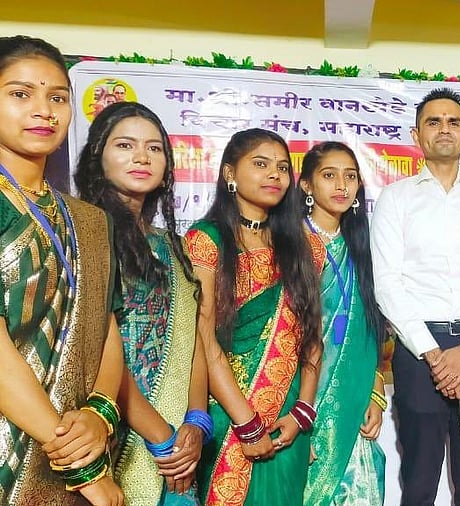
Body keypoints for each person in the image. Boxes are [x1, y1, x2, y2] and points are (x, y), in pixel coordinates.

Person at [371, 87, 460, 505]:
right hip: (419, 353)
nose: (444, 129)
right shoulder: (396, 199)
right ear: (417, 136)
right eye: (433, 122)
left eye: (453, 122)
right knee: (419, 478)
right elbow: (387, 284)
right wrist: (436, 357)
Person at [0, 35, 125, 505]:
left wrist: (100, 412)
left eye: (57, 97)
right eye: (20, 94)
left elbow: (104, 325)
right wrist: (85, 466)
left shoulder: (91, 221)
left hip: (70, 455)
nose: (43, 110)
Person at [74, 101, 211, 505]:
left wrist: (196, 422)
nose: (141, 157)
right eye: (125, 145)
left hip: (178, 443)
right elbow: (98, 349)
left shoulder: (174, 247)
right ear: (98, 157)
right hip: (110, 433)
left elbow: (192, 343)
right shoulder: (84, 236)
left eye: (154, 149)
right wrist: (162, 437)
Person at [186, 128, 323, 505]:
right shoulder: (207, 239)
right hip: (230, 414)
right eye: (260, 164)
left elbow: (312, 336)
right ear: (230, 173)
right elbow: (204, 341)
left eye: (282, 167)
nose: (274, 175)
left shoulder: (305, 245)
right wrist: (246, 423)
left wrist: (302, 412)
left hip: (289, 419)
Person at [299, 141, 386, 505]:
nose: (341, 185)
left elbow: (375, 330)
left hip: (354, 396)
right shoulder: (288, 244)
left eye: (350, 176)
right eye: (329, 175)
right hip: (300, 399)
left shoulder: (365, 247)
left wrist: (376, 392)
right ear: (306, 185)